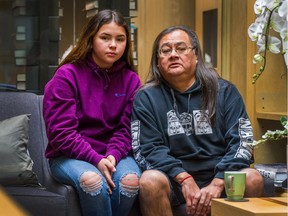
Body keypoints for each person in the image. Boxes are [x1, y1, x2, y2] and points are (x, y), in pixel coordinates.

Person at [131, 25, 264, 216]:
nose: (173, 54)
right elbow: (147, 148)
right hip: (174, 180)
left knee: (252, 177)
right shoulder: (146, 98)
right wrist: (184, 179)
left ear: (196, 56)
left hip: (221, 176)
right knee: (149, 180)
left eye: (181, 48)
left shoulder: (224, 91)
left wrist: (218, 182)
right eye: (166, 51)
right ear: (158, 62)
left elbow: (242, 141)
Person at [43, 9, 141, 216]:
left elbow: (127, 129)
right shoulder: (66, 75)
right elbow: (61, 133)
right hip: (69, 156)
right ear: (91, 39)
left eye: (120, 39)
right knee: (92, 181)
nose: (113, 45)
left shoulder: (132, 80)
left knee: (130, 182)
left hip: (116, 155)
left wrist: (112, 156)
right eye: (105, 37)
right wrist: (95, 159)